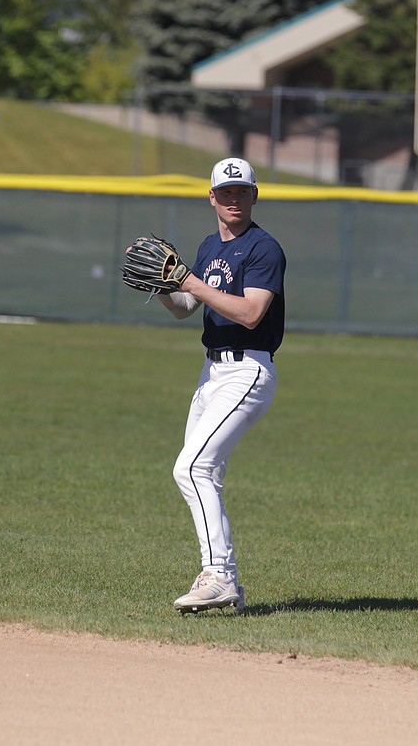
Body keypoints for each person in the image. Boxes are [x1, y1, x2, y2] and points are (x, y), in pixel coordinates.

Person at [156, 157, 286, 615]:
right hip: (210, 374)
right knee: (201, 473)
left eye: (242, 192)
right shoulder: (210, 245)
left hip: (247, 371)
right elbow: (186, 306)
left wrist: (189, 279)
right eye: (225, 192)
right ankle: (219, 577)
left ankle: (219, 576)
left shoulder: (263, 248)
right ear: (211, 197)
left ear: (254, 196)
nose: (234, 199)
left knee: (191, 468)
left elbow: (251, 313)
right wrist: (162, 285)